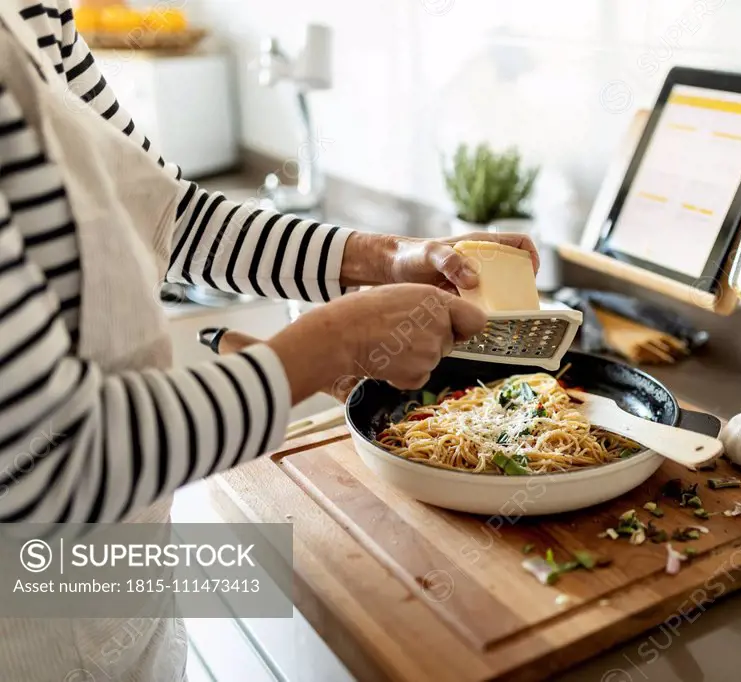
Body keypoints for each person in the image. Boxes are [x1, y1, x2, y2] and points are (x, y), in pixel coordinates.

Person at [0, 2, 539, 679]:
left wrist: (388, 255)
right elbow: (55, 462)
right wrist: (331, 346)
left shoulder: (36, 12)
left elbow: (173, 218)